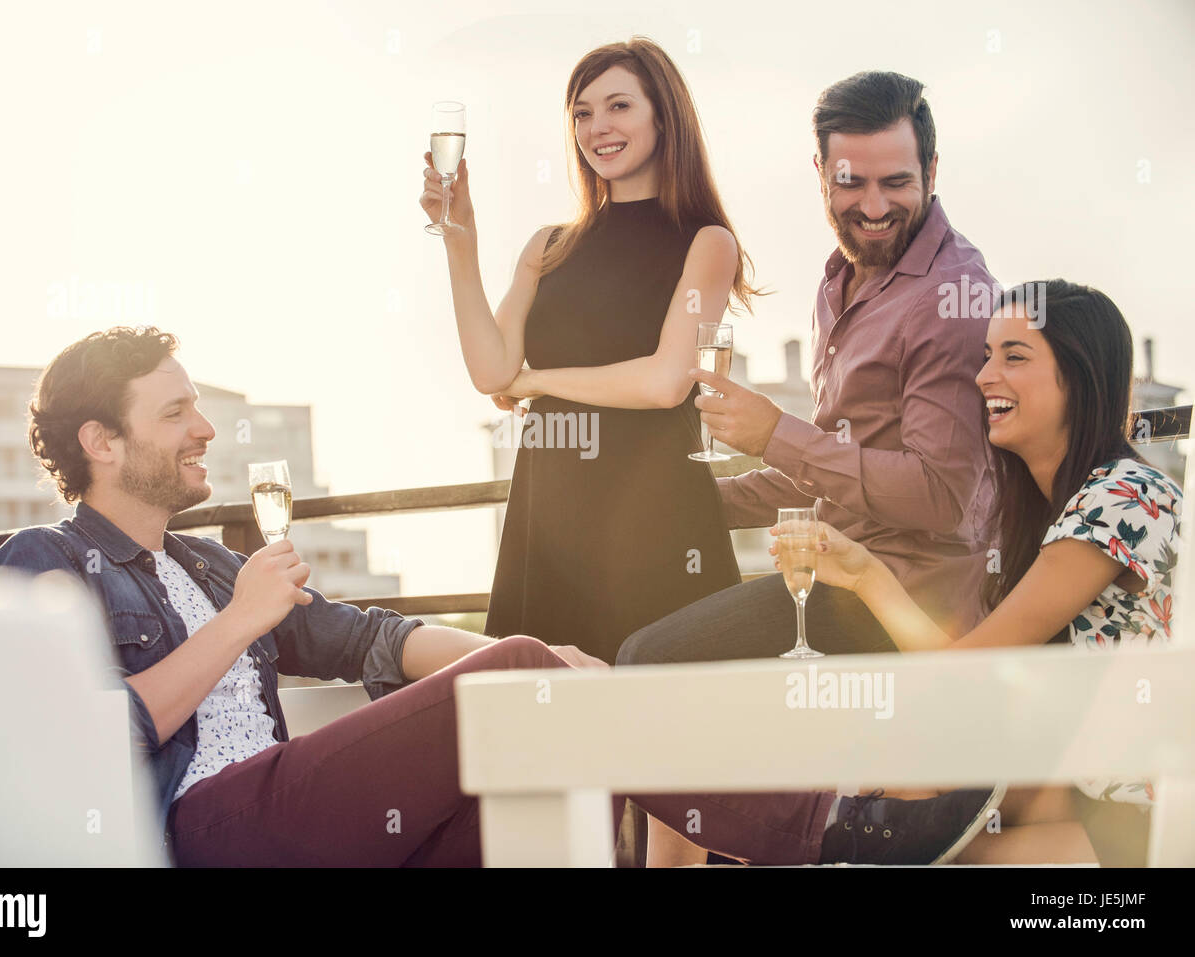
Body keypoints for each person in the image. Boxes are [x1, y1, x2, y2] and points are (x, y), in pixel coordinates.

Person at [0, 325, 999, 866]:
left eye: (200, 405)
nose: (204, 428)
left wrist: (548, 664)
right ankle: (834, 831)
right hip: (210, 829)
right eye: (175, 411)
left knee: (540, 766)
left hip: (301, 814)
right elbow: (87, 741)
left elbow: (369, 639)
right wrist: (245, 623)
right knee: (521, 680)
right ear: (102, 444)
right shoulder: (46, 564)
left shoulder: (209, 566)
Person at [617, 68, 1000, 865]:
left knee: (649, 667)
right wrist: (698, 501)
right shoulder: (840, 281)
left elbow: (939, 495)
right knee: (646, 625)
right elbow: (832, 469)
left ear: (933, 173)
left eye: (896, 182)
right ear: (820, 174)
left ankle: (815, 835)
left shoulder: (952, 298)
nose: (871, 204)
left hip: (900, 602)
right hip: (832, 573)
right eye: (849, 181)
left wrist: (772, 431)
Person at [771, 281, 1180, 865]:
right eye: (986, 355)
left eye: (1014, 356)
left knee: (901, 796)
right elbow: (975, 673)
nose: (985, 376)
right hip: (1079, 802)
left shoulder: (1124, 497)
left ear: (1082, 377)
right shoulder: (1045, 515)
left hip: (1151, 820)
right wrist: (865, 574)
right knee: (909, 780)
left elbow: (967, 671)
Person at [420, 37, 757, 665]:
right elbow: (492, 371)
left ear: (664, 115)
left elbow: (664, 382)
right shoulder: (548, 244)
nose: (597, 127)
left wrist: (536, 381)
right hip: (549, 515)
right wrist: (458, 242)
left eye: (619, 106)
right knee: (543, 729)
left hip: (654, 514)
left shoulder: (706, 243)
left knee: (660, 723)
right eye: (581, 113)